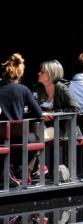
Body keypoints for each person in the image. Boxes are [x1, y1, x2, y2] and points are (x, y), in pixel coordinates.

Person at [0, 53, 44, 185]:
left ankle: (11, 169)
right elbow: (38, 113)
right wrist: (22, 116)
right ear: (19, 73)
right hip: (19, 135)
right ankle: (24, 170)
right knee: (36, 138)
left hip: (1, 134)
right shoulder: (23, 89)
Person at [32, 60, 80, 141]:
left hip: (61, 127)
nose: (38, 73)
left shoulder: (62, 89)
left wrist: (53, 113)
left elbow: (76, 109)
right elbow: (31, 108)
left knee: (36, 137)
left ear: (51, 75)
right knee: (31, 135)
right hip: (40, 125)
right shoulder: (36, 88)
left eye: (42, 72)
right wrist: (41, 113)